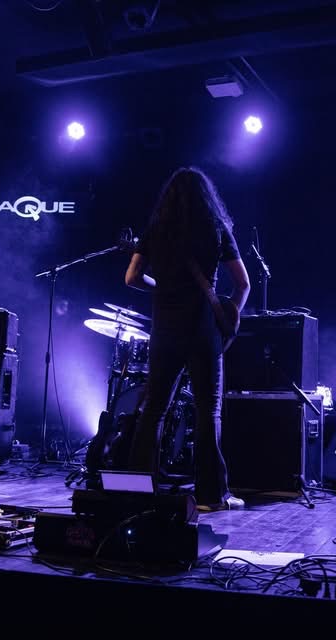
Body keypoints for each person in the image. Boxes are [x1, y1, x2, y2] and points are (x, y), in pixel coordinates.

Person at [123, 167, 250, 511]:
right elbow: (243, 283)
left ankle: (136, 491)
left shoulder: (157, 229)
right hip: (203, 329)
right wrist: (230, 315)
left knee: (153, 410)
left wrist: (162, 287)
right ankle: (212, 496)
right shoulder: (216, 228)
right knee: (208, 411)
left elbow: (132, 277)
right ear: (207, 198)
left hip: (165, 329)